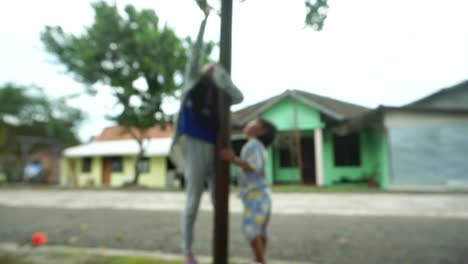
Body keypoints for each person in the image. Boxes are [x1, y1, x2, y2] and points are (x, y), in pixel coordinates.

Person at [169, 8, 243, 264]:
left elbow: (239, 97)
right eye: (210, 66)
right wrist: (205, 20)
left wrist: (222, 76)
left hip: (214, 146)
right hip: (194, 142)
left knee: (218, 198)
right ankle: (188, 250)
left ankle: (220, 248)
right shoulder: (193, 82)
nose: (212, 67)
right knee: (193, 201)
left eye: (216, 68)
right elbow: (195, 53)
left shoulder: (219, 90)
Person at [221, 118, 277, 264]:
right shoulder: (258, 146)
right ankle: (259, 259)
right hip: (261, 194)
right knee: (261, 230)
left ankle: (260, 260)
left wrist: (232, 158)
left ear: (261, 130)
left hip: (256, 195)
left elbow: (253, 166)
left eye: (254, 122)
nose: (249, 123)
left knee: (250, 229)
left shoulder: (253, 145)